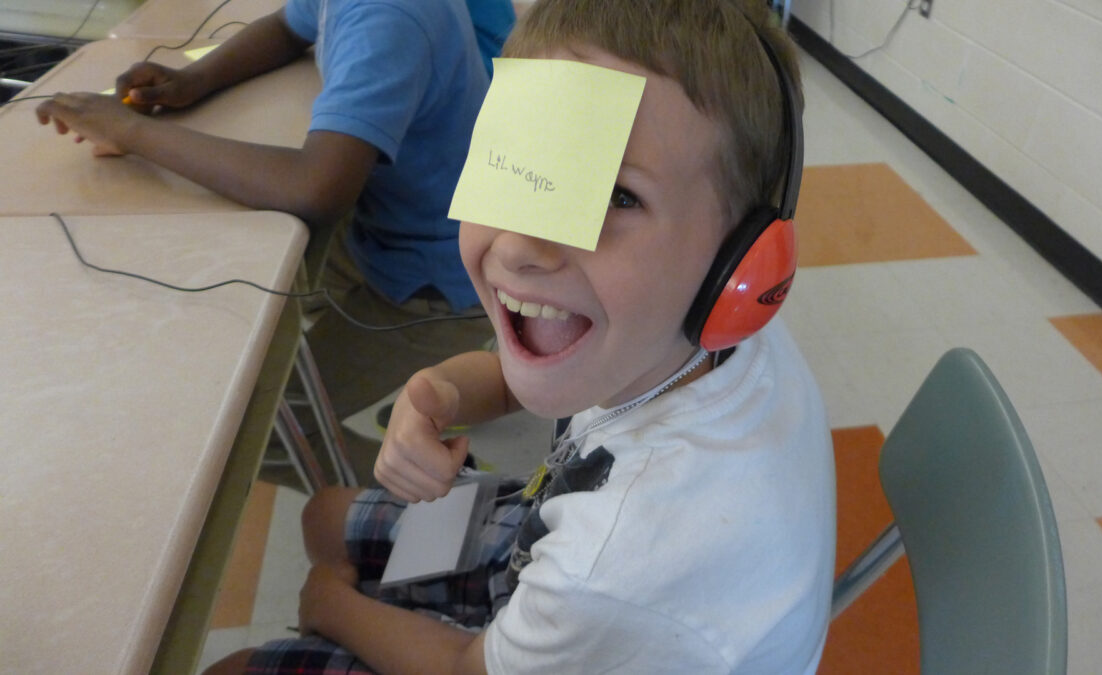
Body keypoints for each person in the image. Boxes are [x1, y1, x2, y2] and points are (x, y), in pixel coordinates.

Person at [204, 0, 836, 672]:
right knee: (323, 516)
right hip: (562, 527)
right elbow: (514, 375)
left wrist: (332, 606)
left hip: (570, 611)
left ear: (741, 266)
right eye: (517, 164)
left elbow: (466, 667)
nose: (520, 245)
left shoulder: (616, 562)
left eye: (615, 196)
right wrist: (436, 392)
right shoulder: (669, 336)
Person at [34, 0, 515, 469]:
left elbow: (314, 188)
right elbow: (288, 27)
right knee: (231, 284)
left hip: (436, 283)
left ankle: (441, 486)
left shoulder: (389, 17)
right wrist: (194, 80)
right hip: (389, 228)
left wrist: (129, 133)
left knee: (244, 437)